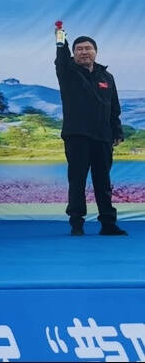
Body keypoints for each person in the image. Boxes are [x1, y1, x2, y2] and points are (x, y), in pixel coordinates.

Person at [54, 27, 127, 236]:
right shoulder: (68, 72)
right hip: (77, 136)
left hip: (103, 137)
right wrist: (61, 39)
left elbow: (114, 107)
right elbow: (61, 59)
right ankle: (76, 224)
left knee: (103, 182)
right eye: (79, 49)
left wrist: (116, 131)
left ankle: (108, 224)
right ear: (73, 53)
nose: (84, 52)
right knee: (77, 181)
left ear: (96, 51)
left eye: (88, 48)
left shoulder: (107, 77)